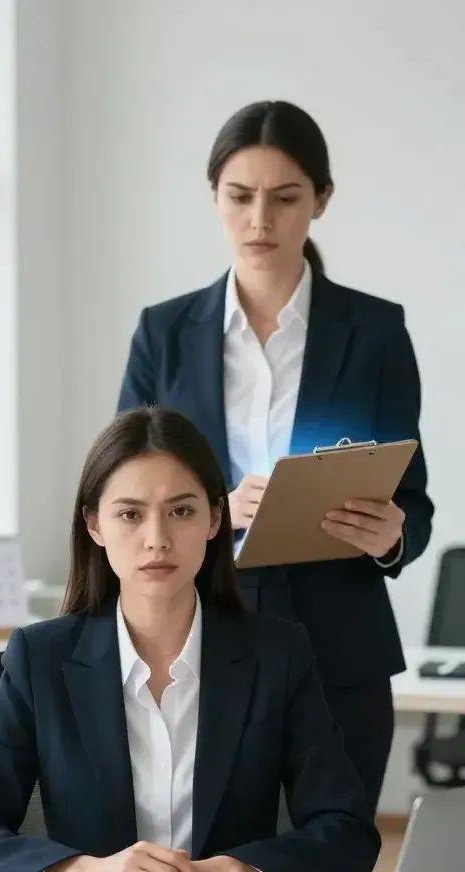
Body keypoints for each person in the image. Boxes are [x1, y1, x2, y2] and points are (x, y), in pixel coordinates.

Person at [117, 101, 434, 815]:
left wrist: (392, 538)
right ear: (215, 200)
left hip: (341, 642)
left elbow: (411, 498)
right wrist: (220, 507)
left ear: (321, 200)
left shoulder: (376, 331)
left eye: (286, 197)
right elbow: (125, 495)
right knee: (217, 863)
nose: (260, 219)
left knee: (339, 858)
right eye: (240, 196)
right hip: (198, 636)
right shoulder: (164, 333)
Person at [0, 407, 379, 872]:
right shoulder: (40, 658)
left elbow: (348, 832)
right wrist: (84, 871)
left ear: (215, 519)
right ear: (94, 525)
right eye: (129, 514)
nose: (157, 539)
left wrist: (229, 871)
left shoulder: (278, 655)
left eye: (181, 511)